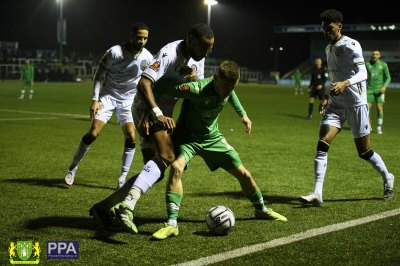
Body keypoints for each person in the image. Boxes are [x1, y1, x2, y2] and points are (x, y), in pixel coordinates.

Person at [89, 23, 216, 232]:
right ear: (190, 39)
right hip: (147, 108)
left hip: (166, 113)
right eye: (203, 47)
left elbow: (195, 92)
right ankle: (126, 208)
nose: (206, 52)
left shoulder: (198, 61)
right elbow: (144, 83)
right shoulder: (169, 53)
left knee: (154, 172)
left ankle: (103, 208)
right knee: (167, 156)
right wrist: (154, 113)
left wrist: (193, 81)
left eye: (209, 49)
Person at [152, 60, 287, 240]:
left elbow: (231, 95)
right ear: (215, 78)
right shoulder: (196, 89)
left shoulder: (227, 89)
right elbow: (161, 87)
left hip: (212, 139)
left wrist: (244, 116)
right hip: (188, 139)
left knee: (244, 174)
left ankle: (261, 209)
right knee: (176, 168)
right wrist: (153, 112)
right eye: (223, 87)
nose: (226, 92)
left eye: (230, 88)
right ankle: (172, 224)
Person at [299, 9, 394, 207]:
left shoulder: (351, 45)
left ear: (339, 26)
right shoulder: (328, 49)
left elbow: (363, 73)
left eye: (330, 28)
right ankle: (317, 193)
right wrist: (327, 94)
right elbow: (334, 77)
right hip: (336, 105)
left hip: (356, 103)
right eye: (324, 29)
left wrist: (345, 83)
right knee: (323, 142)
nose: (327, 32)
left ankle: (388, 176)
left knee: (364, 151)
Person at [64, 22, 153, 187]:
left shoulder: (147, 57)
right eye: (139, 37)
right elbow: (99, 75)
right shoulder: (114, 52)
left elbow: (149, 83)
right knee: (93, 133)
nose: (142, 41)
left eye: (145, 38)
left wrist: (146, 110)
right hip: (108, 97)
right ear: (132, 36)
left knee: (131, 137)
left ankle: (122, 178)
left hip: (128, 100)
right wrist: (95, 99)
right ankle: (73, 168)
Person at [366, 49, 391, 134]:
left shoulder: (383, 65)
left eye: (377, 54)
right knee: (367, 109)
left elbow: (388, 77)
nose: (375, 56)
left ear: (379, 56)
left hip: (380, 90)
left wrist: (384, 86)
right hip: (369, 90)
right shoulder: (367, 64)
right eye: (373, 54)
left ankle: (379, 127)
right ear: (371, 55)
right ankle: (368, 124)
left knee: (379, 108)